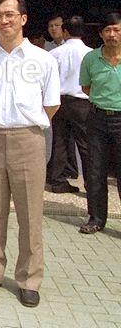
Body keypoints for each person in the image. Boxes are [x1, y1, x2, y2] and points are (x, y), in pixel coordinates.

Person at [0, 0, 60, 308]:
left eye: (10, 14)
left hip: (28, 139)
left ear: (23, 18)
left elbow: (51, 104)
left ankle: (29, 279)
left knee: (30, 215)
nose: (4, 20)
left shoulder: (43, 60)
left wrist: (25, 127)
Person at [78, 12, 121, 235]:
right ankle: (96, 218)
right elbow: (86, 88)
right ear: (100, 34)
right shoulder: (91, 58)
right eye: (107, 30)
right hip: (97, 118)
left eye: (116, 29)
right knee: (95, 170)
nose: (112, 34)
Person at [46, 16, 92, 194]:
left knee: (60, 142)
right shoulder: (91, 53)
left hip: (60, 102)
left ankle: (57, 181)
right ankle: (91, 184)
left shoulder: (54, 54)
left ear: (65, 31)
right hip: (83, 103)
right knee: (86, 145)